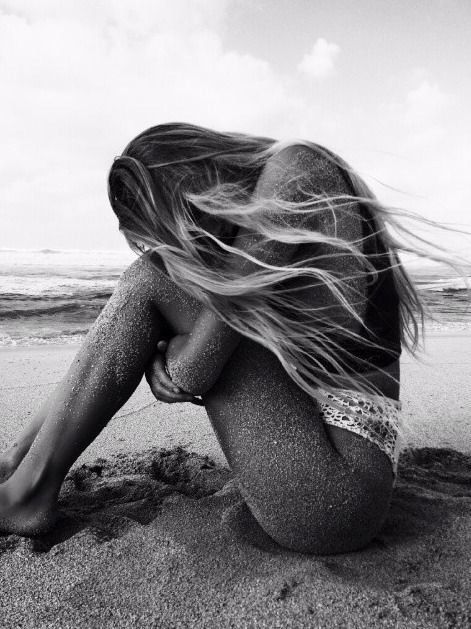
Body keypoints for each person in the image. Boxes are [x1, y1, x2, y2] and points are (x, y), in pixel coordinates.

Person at [0, 123, 425, 553]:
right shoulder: (293, 176)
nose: (183, 243)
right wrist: (175, 350)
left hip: (333, 494)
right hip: (331, 466)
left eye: (170, 227)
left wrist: (168, 358)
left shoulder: (297, 171)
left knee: (150, 277)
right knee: (158, 275)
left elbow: (194, 369)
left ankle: (26, 492)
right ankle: (22, 459)